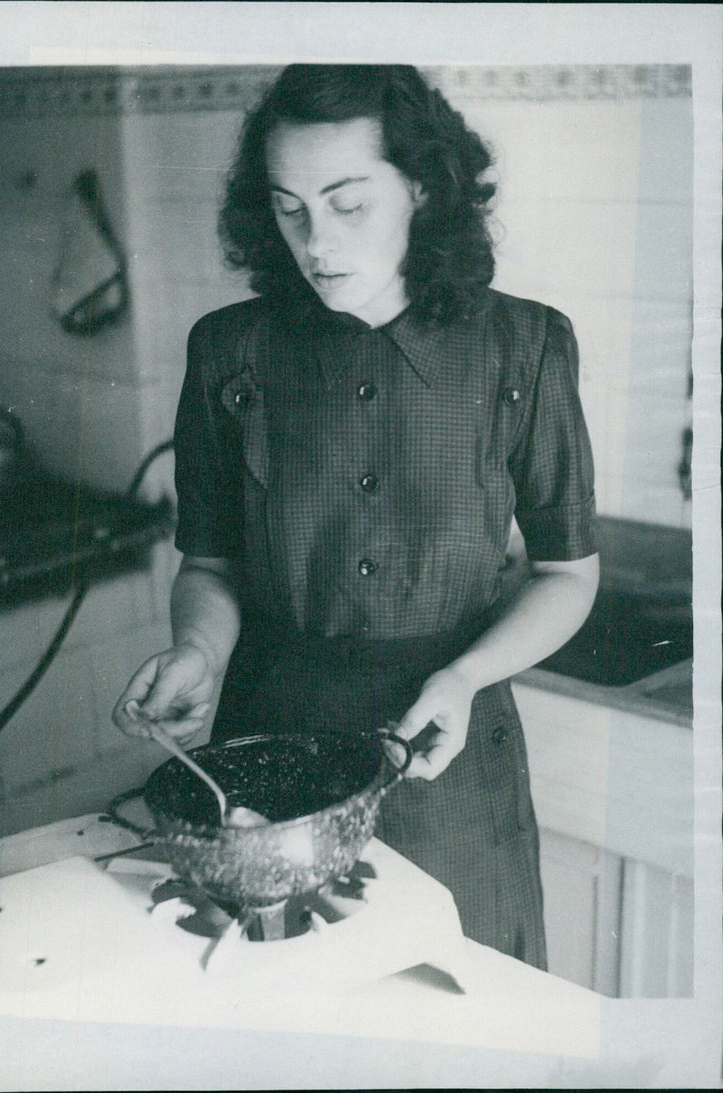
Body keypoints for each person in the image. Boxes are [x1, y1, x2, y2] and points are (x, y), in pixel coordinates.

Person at [113, 64, 599, 969]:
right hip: (270, 751)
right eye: (289, 207)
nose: (315, 241)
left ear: (422, 185)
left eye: (348, 204)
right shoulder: (229, 350)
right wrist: (199, 652)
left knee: (463, 1007)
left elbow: (570, 574)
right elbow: (210, 563)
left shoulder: (526, 347)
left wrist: (468, 674)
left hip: (449, 754)